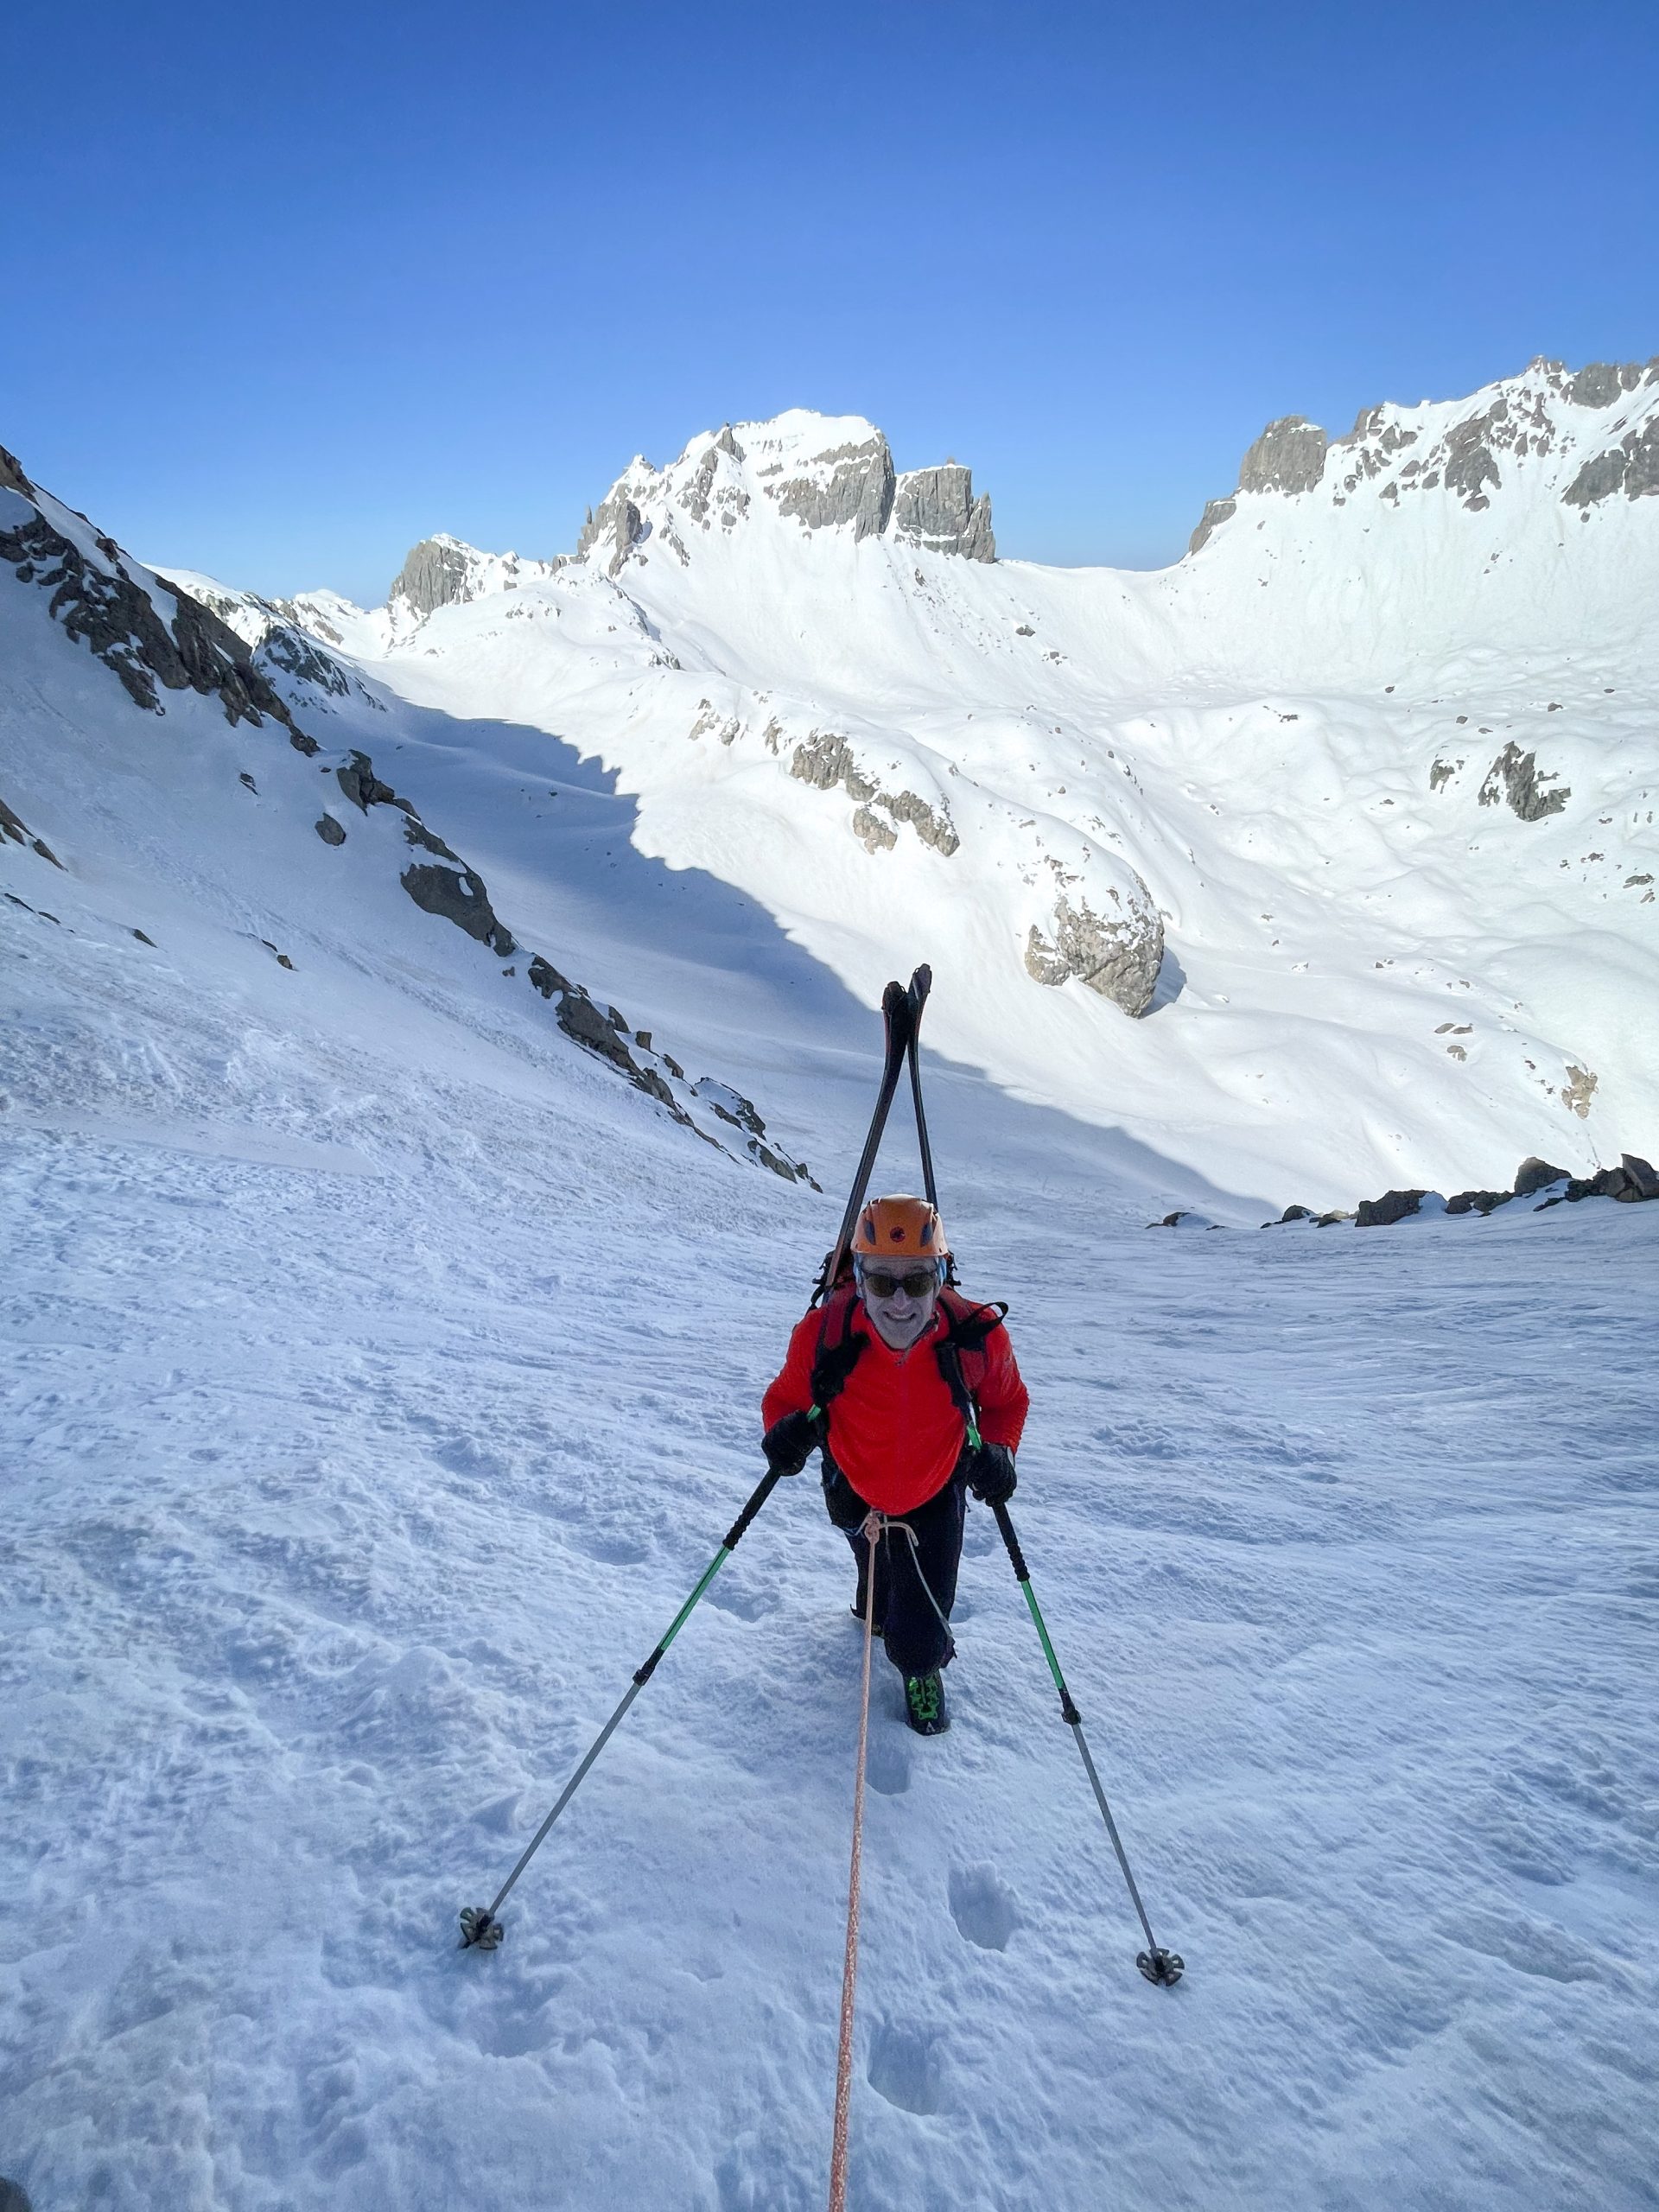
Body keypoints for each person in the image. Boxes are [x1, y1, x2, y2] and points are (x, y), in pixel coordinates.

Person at [760, 1195, 1028, 1735]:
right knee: (874, 1575)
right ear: (858, 1279)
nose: (901, 1302)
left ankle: (921, 1667)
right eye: (883, 1282)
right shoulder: (823, 1335)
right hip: (852, 1486)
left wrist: (1000, 1450)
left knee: (919, 1629)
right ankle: (876, 1609)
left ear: (941, 1276)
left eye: (919, 1281)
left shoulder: (975, 1337)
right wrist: (784, 1436)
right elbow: (783, 1401)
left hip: (937, 1490)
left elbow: (1008, 1403)